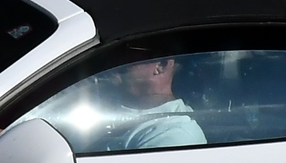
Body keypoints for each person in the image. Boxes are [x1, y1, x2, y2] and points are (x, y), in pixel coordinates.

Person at [14, 49, 208, 153]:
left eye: (128, 51)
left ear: (162, 65)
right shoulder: (99, 107)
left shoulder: (173, 135)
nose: (114, 59)